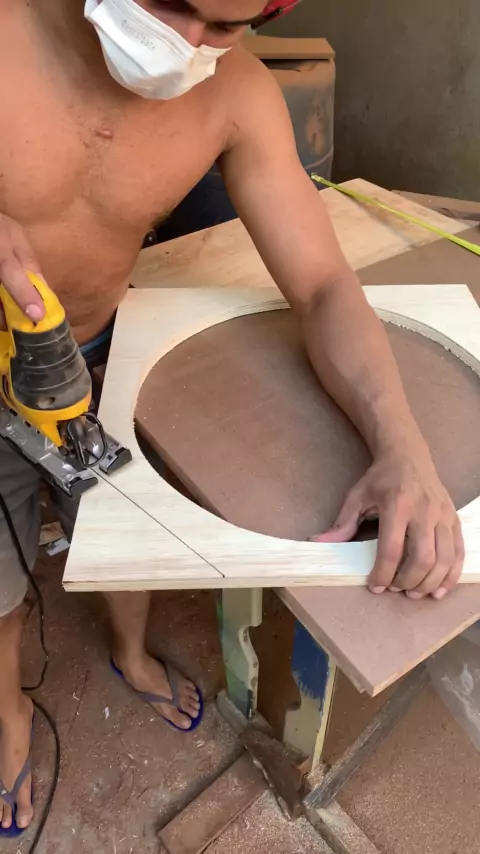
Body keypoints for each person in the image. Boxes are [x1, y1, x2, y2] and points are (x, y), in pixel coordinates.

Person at [0, 0, 464, 833]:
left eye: (226, 25)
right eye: (173, 5)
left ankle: (131, 654)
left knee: (124, 528)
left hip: (99, 351)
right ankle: (8, 719)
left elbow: (322, 284)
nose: (186, 45)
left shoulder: (236, 96)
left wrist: (403, 446)